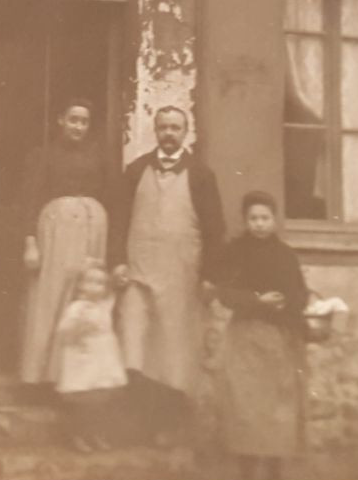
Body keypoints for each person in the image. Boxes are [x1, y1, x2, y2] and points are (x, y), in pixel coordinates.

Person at [109, 105, 225, 443]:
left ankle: (169, 425)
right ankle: (137, 425)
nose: (169, 134)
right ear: (155, 131)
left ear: (185, 132)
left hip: (181, 275)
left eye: (175, 128)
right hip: (138, 271)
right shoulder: (136, 170)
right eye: (163, 128)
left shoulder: (201, 175)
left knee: (173, 349)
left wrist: (209, 276)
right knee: (135, 342)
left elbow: (215, 229)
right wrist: (117, 262)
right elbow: (118, 220)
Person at [16, 99, 117, 386]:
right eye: (73, 120)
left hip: (92, 234)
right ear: (61, 121)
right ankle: (43, 377)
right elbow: (29, 201)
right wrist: (30, 242)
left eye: (84, 122)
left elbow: (112, 198)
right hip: (56, 234)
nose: (78, 127)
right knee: (51, 297)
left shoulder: (100, 157)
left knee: (84, 297)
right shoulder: (43, 156)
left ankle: (79, 378)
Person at [214, 191, 309, 480]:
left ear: (274, 220)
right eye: (253, 218)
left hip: (279, 338)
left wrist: (286, 303)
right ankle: (247, 472)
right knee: (245, 404)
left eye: (265, 218)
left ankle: (274, 472)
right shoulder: (235, 251)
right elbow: (225, 293)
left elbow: (300, 293)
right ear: (245, 221)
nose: (259, 224)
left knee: (279, 405)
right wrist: (257, 300)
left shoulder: (286, 254)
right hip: (246, 336)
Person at [52, 264, 127, 452]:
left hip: (103, 360)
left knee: (101, 402)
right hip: (84, 360)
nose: (95, 286)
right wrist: (78, 329)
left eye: (100, 283)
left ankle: (97, 435)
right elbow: (64, 331)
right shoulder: (77, 308)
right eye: (90, 281)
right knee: (84, 402)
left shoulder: (105, 304)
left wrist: (117, 275)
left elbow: (113, 291)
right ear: (80, 286)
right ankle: (79, 436)